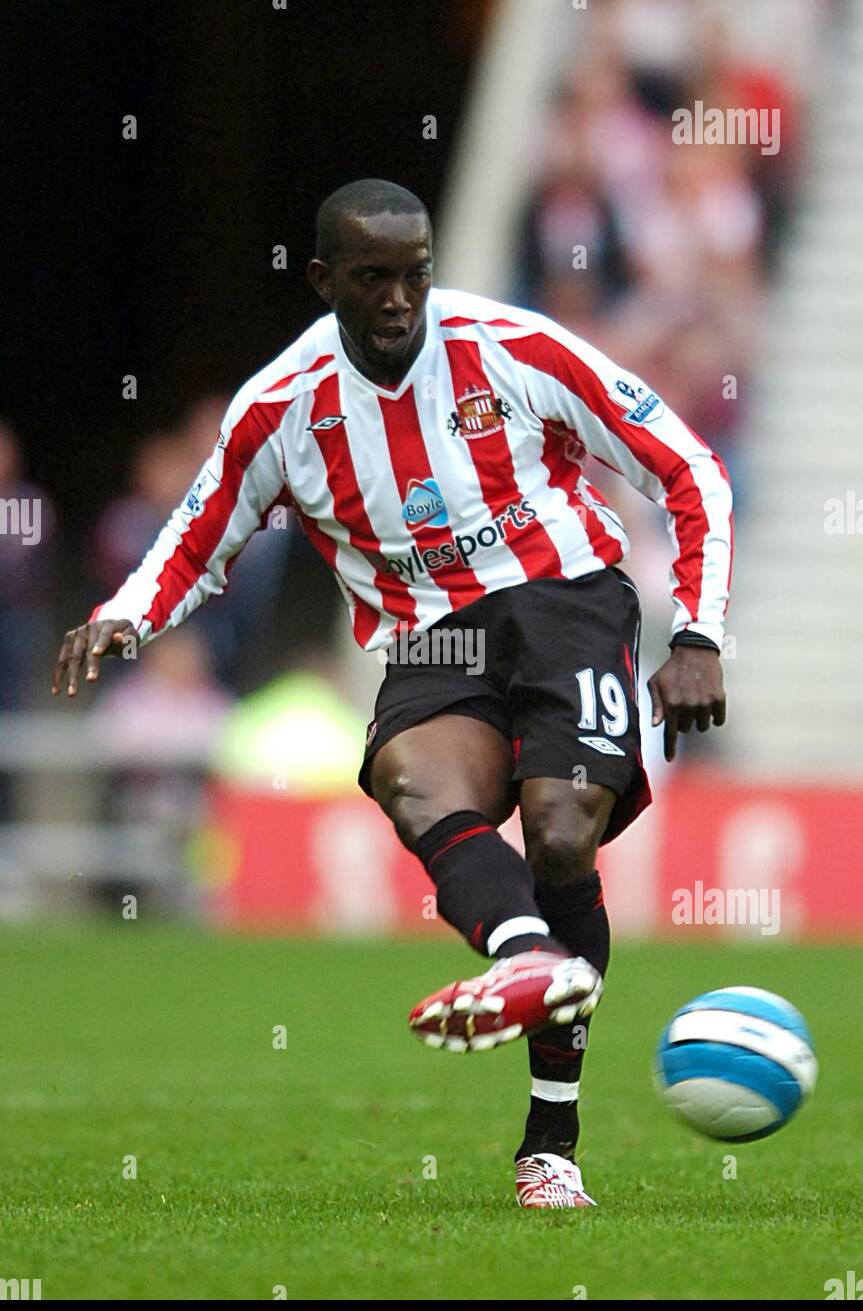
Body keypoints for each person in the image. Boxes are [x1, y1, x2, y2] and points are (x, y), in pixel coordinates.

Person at [52, 179, 733, 1209]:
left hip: (562, 602)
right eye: (372, 279)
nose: (399, 301)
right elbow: (202, 531)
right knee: (410, 779)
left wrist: (694, 633)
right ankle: (523, 954)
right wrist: (127, 612)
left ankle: (550, 1138)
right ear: (323, 279)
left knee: (558, 837)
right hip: (432, 640)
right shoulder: (280, 409)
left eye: (414, 275)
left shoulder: (511, 345)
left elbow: (686, 468)